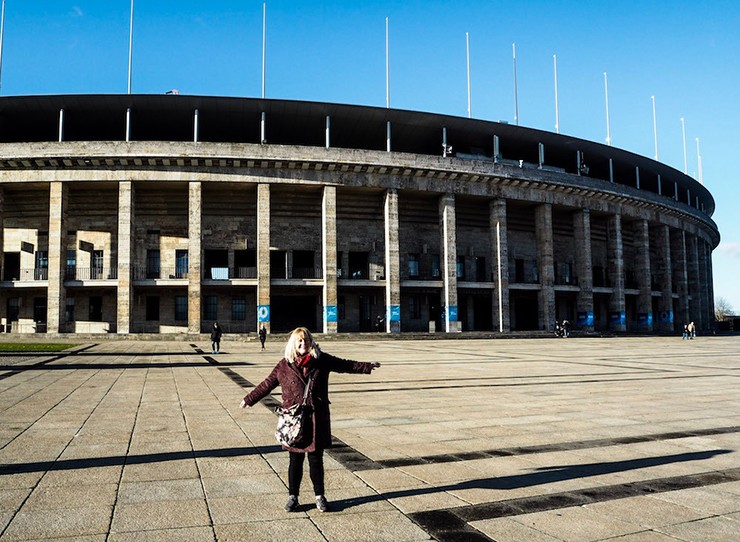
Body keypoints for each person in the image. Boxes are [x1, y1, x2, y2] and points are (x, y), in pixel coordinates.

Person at [239, 327, 380, 513]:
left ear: (311, 342)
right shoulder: (284, 365)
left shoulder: (321, 360)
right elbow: (267, 384)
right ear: (293, 344)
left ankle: (319, 496)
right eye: (299, 341)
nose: (303, 343)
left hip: (315, 419)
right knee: (295, 461)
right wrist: (249, 399)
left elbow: (345, 365)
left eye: (306, 340)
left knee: (316, 460)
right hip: (294, 422)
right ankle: (293, 497)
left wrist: (367, 366)